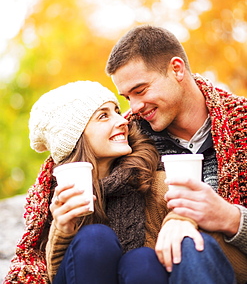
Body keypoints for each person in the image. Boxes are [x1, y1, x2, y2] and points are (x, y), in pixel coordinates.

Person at [4, 80, 228, 284]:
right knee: (95, 239)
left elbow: (210, 254)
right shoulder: (58, 197)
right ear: (75, 139)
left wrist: (183, 217)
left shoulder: (153, 182)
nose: (123, 121)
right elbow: (52, 276)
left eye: (117, 111)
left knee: (142, 260)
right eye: (103, 115)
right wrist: (62, 230)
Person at [106, 25, 247, 284]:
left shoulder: (242, 124)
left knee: (192, 246)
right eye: (127, 97)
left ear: (177, 69)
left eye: (141, 90)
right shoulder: (125, 138)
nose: (135, 107)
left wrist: (231, 218)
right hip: (148, 272)